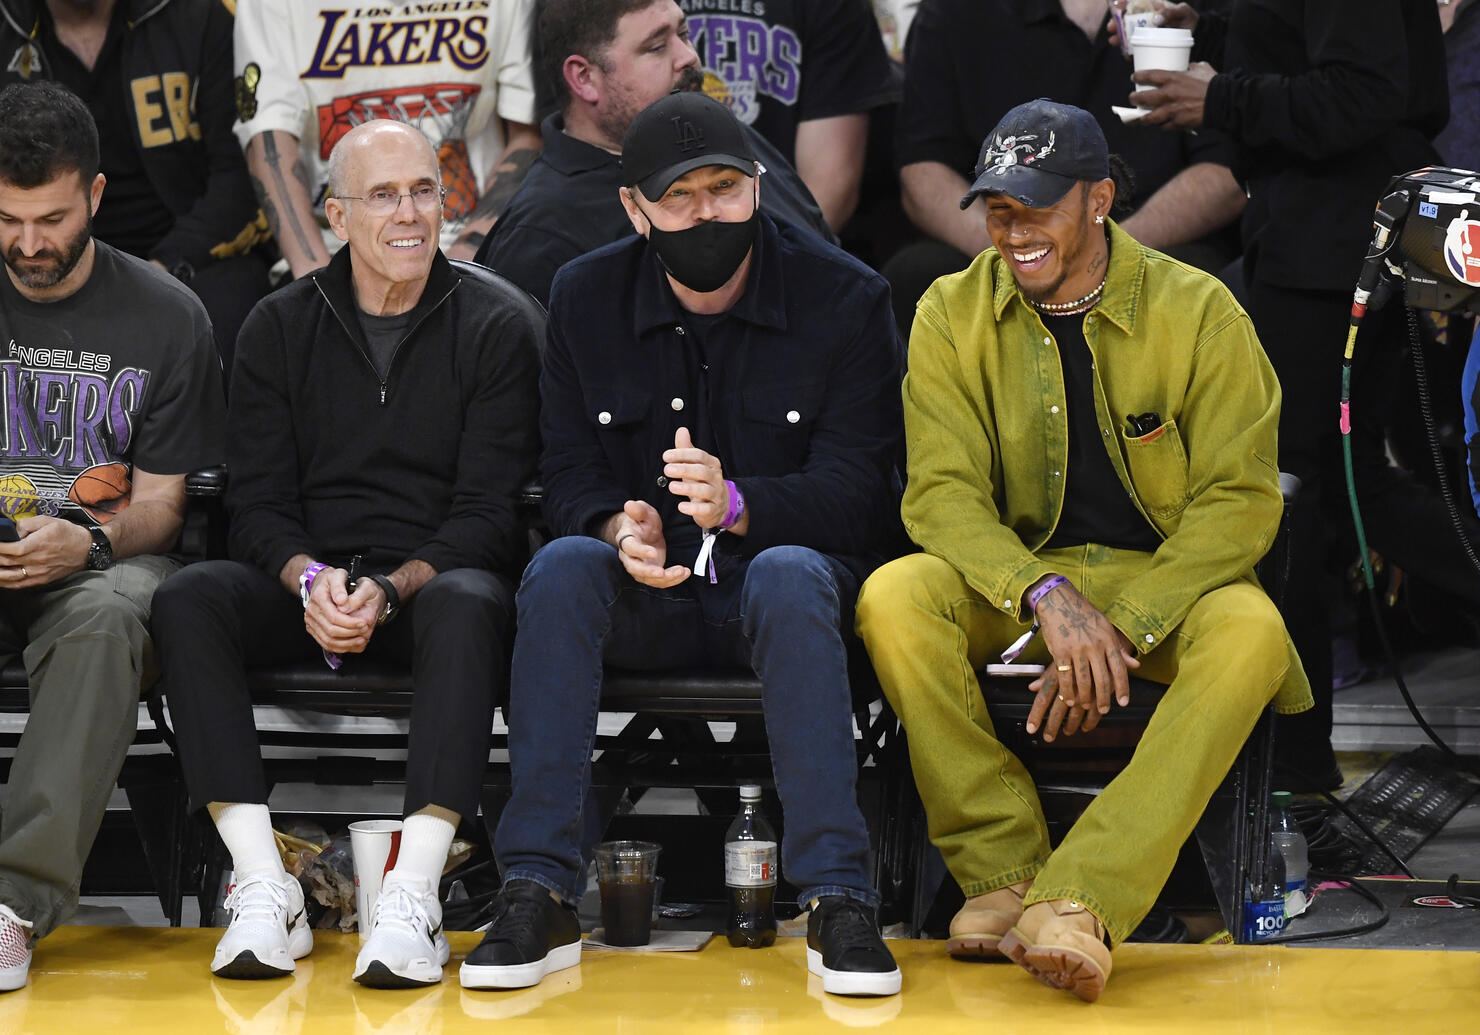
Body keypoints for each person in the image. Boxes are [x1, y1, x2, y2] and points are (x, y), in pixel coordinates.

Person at [855, 99, 1312, 1003]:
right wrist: (1048, 597)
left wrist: (1124, 625)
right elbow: (940, 496)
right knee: (895, 597)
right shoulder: (950, 311)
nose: (1013, 231)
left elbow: (1239, 502)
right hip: (1022, 585)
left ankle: (1080, 899)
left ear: (1100, 199)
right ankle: (1001, 873)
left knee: (1254, 632)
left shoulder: (1201, 309)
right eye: (997, 208)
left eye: (1038, 207)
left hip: (1165, 584)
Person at [464, 92, 903, 997]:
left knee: (786, 572)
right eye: (681, 196)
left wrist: (742, 503)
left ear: (755, 185)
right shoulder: (584, 296)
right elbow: (569, 467)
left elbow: (863, 494)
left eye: (725, 188)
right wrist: (616, 526)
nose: (708, 212)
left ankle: (836, 896)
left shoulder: (847, 298)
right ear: (635, 208)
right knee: (560, 565)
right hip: (651, 593)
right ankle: (536, 889)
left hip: (779, 598)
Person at [150, 120, 541, 988]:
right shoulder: (275, 327)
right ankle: (263, 884)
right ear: (334, 215)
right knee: (189, 597)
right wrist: (313, 581)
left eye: (425, 190)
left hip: (427, 588)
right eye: (384, 194)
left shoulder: (497, 325)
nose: (410, 212)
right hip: (308, 584)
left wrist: (389, 589)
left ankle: (413, 892)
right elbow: (253, 505)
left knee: (474, 598)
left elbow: (486, 516)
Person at [1130, 0, 1471, 788]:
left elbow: (1364, 91)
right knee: (1356, 486)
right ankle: (1298, 772)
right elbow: (1307, 46)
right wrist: (1214, 33)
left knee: (1287, 492)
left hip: (1335, 241)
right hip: (1324, 232)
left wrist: (1217, 99)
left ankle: (1297, 775)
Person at [0, 80, 225, 991]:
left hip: (105, 561)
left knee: (105, 620)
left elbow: (168, 505)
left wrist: (84, 544)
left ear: (94, 195)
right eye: (7, 219)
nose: (27, 244)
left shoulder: (168, 316)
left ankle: (13, 905)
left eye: (50, 218)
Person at [885, 0, 1244, 333]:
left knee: (1194, 283)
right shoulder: (953, 13)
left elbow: (1226, 172)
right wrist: (1017, 251)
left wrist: (1107, 253)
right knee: (920, 273)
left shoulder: (1201, 13)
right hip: (999, 236)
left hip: (1155, 240)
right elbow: (923, 169)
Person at [473, 0, 836, 309]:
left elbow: (832, 261)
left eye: (683, 34)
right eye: (656, 47)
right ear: (583, 78)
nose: (689, 57)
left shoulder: (734, 140)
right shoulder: (540, 237)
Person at [0, 0, 270, 369]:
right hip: (24, 243)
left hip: (183, 253)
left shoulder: (200, 16)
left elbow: (240, 177)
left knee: (234, 310)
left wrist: (162, 269)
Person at [232, 0, 541, 278]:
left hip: (474, 244)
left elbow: (527, 134)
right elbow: (269, 137)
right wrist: (316, 277)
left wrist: (465, 263)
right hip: (337, 245)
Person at [678, 0, 900, 230]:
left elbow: (829, 192)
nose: (687, 58)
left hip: (784, 229)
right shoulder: (650, 12)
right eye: (657, 46)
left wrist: (777, 258)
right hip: (662, 216)